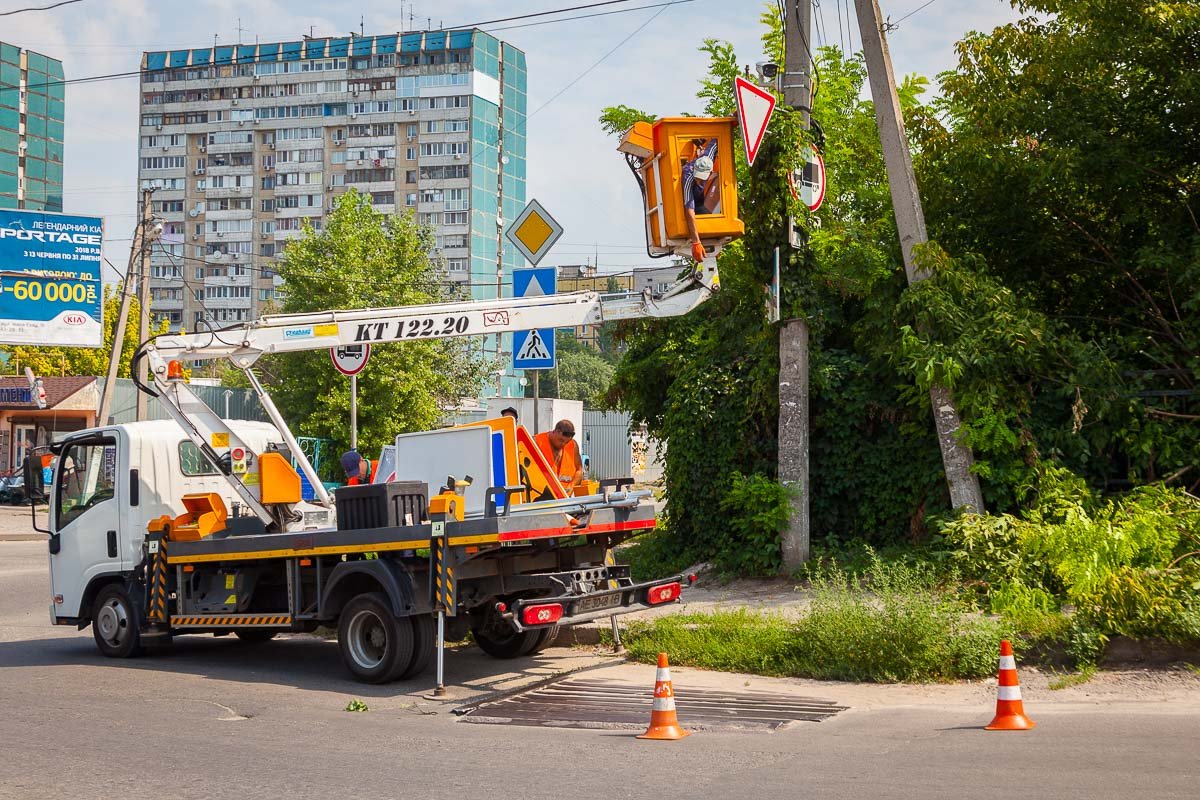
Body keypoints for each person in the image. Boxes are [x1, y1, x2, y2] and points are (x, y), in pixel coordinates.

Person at [682, 137, 719, 263]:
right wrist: (696, 242)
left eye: (702, 179)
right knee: (702, 220)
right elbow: (690, 212)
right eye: (698, 178)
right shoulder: (688, 177)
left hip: (701, 200)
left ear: (710, 172)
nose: (699, 181)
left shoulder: (709, 156)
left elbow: (717, 139)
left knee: (714, 223)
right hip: (694, 204)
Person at [533, 419, 583, 494]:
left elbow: (579, 470)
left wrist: (571, 486)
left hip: (563, 498)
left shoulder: (573, 446)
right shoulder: (536, 441)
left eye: (567, 442)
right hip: (540, 496)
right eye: (561, 440)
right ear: (555, 432)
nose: (563, 444)